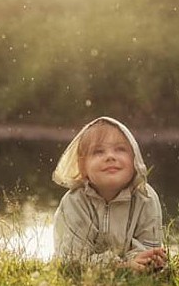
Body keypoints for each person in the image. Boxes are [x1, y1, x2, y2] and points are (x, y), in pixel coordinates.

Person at [52, 116, 166, 271]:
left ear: (134, 159)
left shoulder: (146, 198)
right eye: (98, 152)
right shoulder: (75, 202)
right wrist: (120, 266)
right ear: (82, 166)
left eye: (120, 149)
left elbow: (149, 247)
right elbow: (72, 259)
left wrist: (145, 260)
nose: (110, 156)